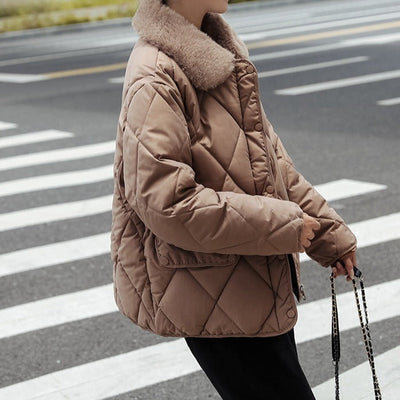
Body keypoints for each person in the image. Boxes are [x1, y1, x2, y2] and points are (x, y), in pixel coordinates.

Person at [110, 0, 357, 398]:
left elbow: (272, 166)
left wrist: (328, 234)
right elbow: (167, 202)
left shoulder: (217, 54)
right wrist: (284, 226)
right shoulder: (155, 74)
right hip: (210, 287)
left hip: (245, 279)